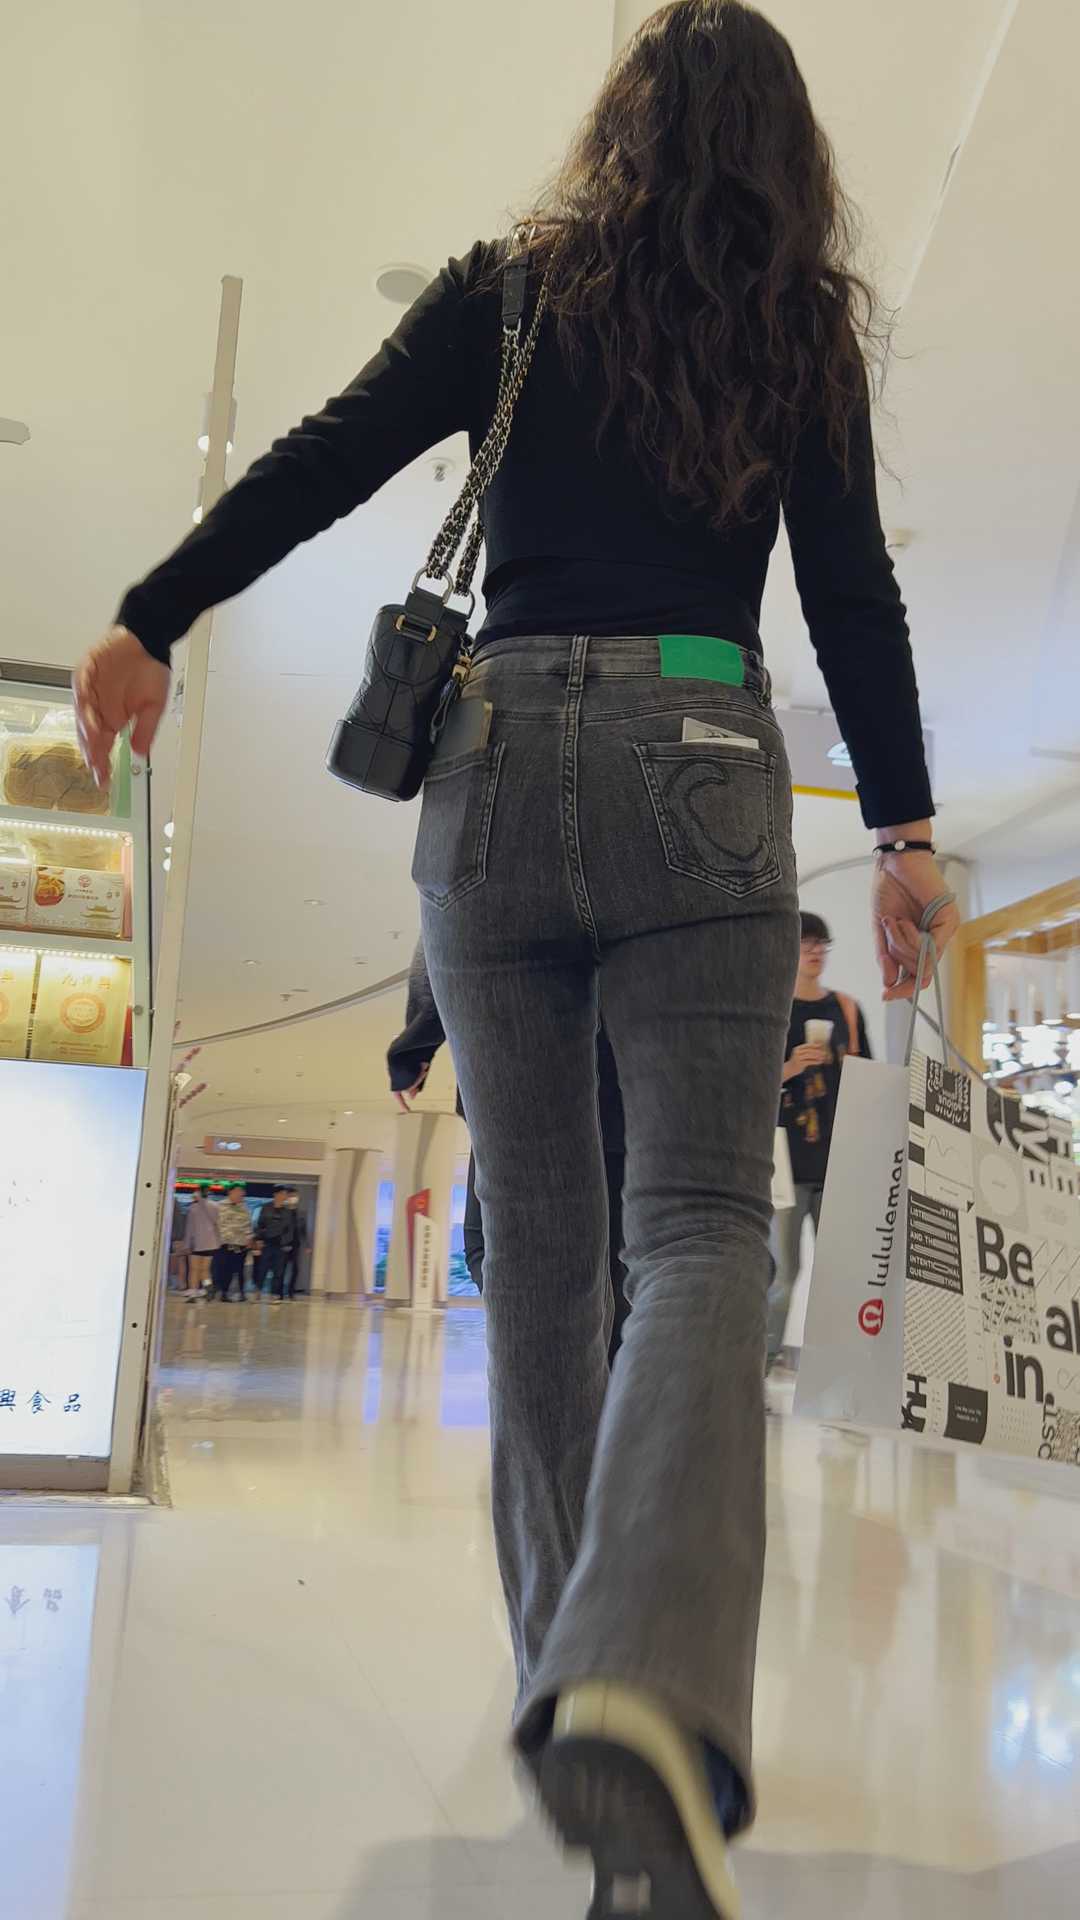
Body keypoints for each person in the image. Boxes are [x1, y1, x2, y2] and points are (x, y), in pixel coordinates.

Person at [73, 5, 960, 1909]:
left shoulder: (516, 292)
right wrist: (902, 835)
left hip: (489, 771)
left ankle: (584, 1695)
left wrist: (155, 613)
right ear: (788, 157)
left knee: (544, 1251)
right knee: (702, 1230)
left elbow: (331, 456)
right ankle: (636, 1689)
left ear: (616, 128)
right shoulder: (799, 324)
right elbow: (850, 587)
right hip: (705, 753)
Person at [388, 940, 630, 1361]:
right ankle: (599, 1376)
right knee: (610, 1263)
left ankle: (560, 1366)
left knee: (493, 1249)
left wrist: (416, 1043)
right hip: (609, 1093)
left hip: (514, 1088)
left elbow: (444, 931)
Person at [766, 912, 872, 1373]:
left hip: (838, 1162)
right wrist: (791, 1067)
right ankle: (761, 1367)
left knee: (841, 1275)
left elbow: (870, 1084)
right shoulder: (772, 1010)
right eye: (806, 943)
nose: (816, 952)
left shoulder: (846, 1010)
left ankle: (839, 1370)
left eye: (822, 944)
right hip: (785, 1164)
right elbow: (748, 1085)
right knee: (782, 1275)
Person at [213, 1184, 253, 1301]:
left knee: (239, 1270)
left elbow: (248, 1226)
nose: (241, 1194)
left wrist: (249, 1239)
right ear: (231, 1192)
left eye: (242, 1192)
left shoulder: (244, 1208)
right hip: (224, 1244)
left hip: (240, 1245)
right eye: (238, 1191)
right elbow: (214, 1224)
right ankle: (223, 1293)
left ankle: (241, 1293)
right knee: (223, 1270)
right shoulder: (219, 1206)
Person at [254, 1188, 294, 1299]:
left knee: (278, 1271)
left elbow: (290, 1229)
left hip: (280, 1245)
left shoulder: (288, 1211)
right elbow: (260, 1225)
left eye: (285, 1194)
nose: (285, 1196)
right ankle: (258, 1291)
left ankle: (274, 1293)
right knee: (262, 1269)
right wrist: (259, 1239)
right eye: (283, 1194)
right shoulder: (266, 1207)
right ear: (276, 1194)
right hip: (267, 1243)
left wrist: (286, 1243)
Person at [182, 1184, 220, 1298]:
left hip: (197, 1243)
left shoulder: (193, 1208)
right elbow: (216, 1223)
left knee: (194, 1269)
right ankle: (208, 1289)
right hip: (210, 1244)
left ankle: (193, 1291)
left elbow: (189, 1228)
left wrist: (187, 1244)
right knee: (205, 1270)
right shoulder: (215, 1206)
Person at [280, 1189, 307, 1297]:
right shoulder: (282, 1211)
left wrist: (307, 1245)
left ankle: (291, 1291)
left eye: (295, 1196)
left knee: (295, 1270)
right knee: (281, 1269)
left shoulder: (300, 1213)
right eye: (291, 1196)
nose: (293, 1198)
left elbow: (303, 1230)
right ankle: (280, 1292)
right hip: (284, 1244)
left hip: (296, 1245)